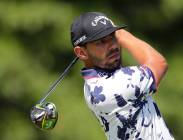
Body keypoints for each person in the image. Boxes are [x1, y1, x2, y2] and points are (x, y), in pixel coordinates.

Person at [70, 12, 174, 140]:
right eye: (101, 42)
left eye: (112, 37)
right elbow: (159, 64)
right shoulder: (114, 88)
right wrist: (120, 33)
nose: (113, 45)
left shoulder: (93, 83)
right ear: (81, 52)